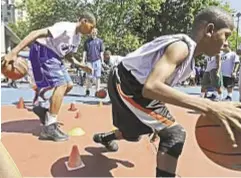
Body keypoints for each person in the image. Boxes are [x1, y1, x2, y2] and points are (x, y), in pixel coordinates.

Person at [92, 7, 241, 178]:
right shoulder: (181, 47)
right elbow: (151, 87)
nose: (227, 43)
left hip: (137, 85)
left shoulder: (189, 59)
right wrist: (210, 106)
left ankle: (106, 137)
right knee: (174, 133)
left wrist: (159, 122)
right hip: (126, 82)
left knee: (139, 131)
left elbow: (157, 88)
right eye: (226, 35)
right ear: (209, 30)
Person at [3, 11, 95, 142]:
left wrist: (81, 65)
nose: (92, 30)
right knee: (61, 85)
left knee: (68, 85)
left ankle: (44, 108)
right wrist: (14, 52)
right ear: (84, 21)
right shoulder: (65, 28)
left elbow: (68, 55)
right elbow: (34, 33)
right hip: (43, 50)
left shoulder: (77, 38)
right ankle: (49, 127)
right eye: (91, 26)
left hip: (55, 56)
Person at [83, 28, 104, 96]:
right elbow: (85, 51)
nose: (94, 33)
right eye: (92, 32)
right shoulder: (87, 41)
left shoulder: (100, 41)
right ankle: (87, 90)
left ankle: (97, 91)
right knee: (89, 77)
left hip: (97, 60)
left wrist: (102, 61)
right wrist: (83, 60)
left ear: (96, 33)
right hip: (89, 61)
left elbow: (101, 52)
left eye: (95, 32)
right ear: (90, 33)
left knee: (98, 77)